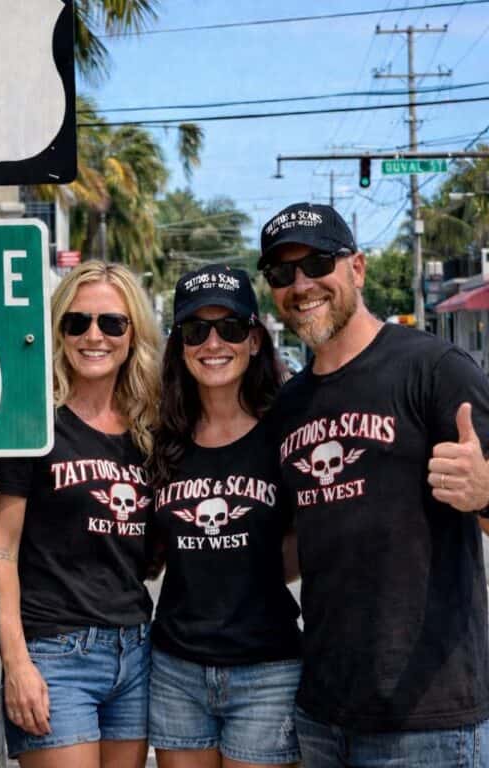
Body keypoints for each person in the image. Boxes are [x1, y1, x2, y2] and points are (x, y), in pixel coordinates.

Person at [258, 201, 489, 768]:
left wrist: (486, 491)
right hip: (323, 714)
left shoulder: (434, 368)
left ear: (356, 268)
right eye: (282, 274)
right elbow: (296, 545)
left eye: (317, 264)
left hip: (426, 720)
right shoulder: (288, 406)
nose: (301, 284)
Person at [0, 260, 161, 768]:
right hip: (55, 653)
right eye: (77, 321)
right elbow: (0, 551)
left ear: (133, 335)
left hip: (135, 649)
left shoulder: (149, 430)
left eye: (112, 323)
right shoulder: (34, 423)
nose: (95, 335)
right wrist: (16, 662)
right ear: (58, 330)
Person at [146, 264, 302, 768]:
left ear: (254, 340)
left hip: (267, 668)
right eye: (196, 330)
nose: (214, 342)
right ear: (181, 345)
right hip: (176, 668)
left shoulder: (285, 433)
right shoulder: (161, 439)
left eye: (230, 328)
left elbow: (311, 540)